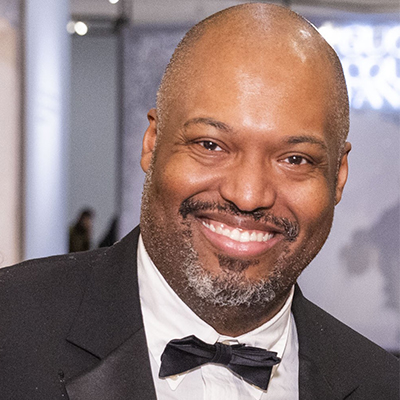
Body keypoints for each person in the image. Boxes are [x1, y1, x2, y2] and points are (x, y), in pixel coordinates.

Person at [1, 4, 398, 400]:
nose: (248, 196)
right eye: (210, 145)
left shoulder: (383, 385)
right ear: (152, 144)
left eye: (295, 160)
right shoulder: (11, 331)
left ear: (338, 176)